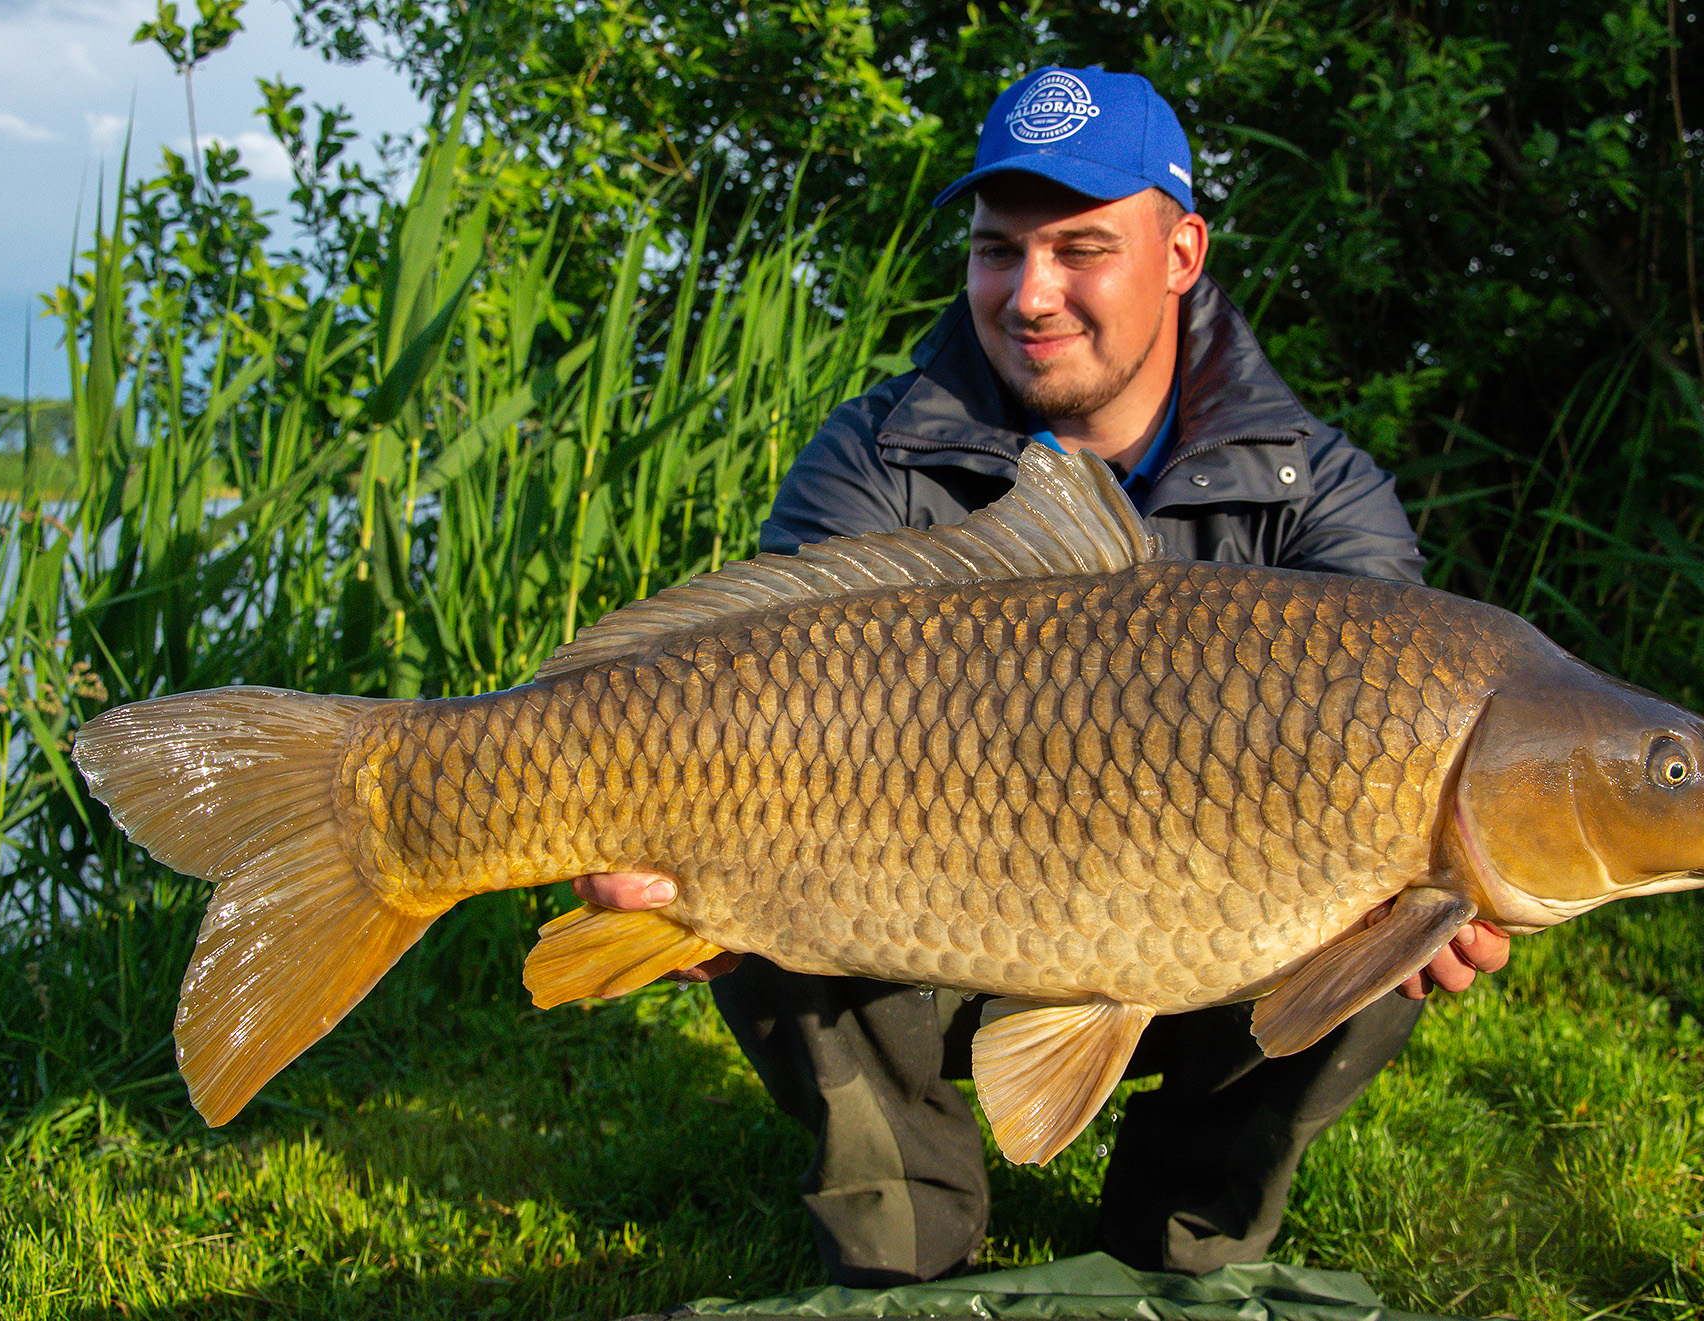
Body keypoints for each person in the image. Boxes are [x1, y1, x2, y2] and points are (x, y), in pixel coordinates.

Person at [571, 67, 1509, 1286]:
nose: (1031, 293)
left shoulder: (1318, 496)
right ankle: (904, 1237)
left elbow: (1419, 712)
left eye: (1081, 247)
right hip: (925, 922)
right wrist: (645, 841)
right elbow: (753, 691)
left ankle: (1186, 1240)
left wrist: (1456, 886)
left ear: (1181, 252)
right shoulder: (879, 456)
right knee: (758, 852)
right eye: (998, 249)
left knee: (1402, 897)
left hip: (1216, 942)